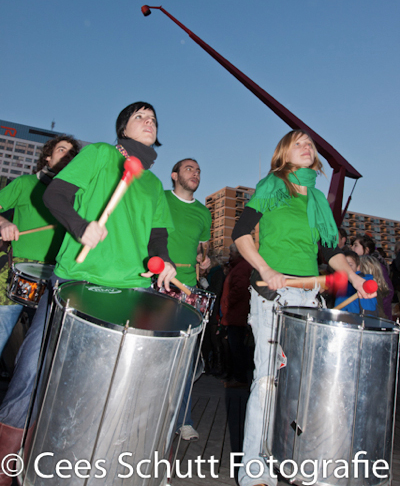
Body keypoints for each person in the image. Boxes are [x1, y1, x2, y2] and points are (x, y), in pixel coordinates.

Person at [0, 103, 175, 485]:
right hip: (75, 282)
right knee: (31, 374)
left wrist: (164, 261)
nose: (149, 122)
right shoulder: (100, 154)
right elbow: (55, 197)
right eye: (140, 117)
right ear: (123, 128)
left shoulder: (152, 185)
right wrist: (80, 228)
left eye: (154, 120)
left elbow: (158, 236)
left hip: (130, 291)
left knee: (108, 385)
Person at [231, 130, 373, 486]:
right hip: (272, 295)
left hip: (309, 297)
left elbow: (329, 253)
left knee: (302, 386)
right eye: (298, 142)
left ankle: (295, 463)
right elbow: (241, 232)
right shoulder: (272, 184)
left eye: (309, 143)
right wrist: (266, 269)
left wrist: (353, 278)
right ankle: (255, 473)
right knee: (267, 382)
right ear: (283, 152)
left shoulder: (319, 201)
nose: (306, 146)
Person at [0, 136, 80, 354]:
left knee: (43, 349)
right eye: (61, 149)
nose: (66, 155)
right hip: (16, 268)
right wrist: (4, 222)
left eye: (71, 153)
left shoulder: (77, 196)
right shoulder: (25, 183)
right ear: (48, 157)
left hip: (56, 273)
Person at [164, 158, 211, 442]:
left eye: (198, 170)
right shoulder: (160, 199)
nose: (196, 173)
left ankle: (184, 420)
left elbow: (203, 251)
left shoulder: (204, 213)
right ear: (174, 175)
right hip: (156, 283)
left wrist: (204, 260)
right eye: (189, 169)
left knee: (186, 359)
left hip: (188, 290)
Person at [220, 243, 252, 388]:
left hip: (236, 314)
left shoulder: (241, 267)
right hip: (236, 313)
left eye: (231, 252)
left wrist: (227, 301)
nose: (229, 254)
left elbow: (240, 289)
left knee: (236, 348)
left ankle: (239, 378)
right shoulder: (240, 266)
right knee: (236, 347)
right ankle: (237, 376)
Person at [352, 234, 394, 319]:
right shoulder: (358, 264)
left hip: (378, 315)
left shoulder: (375, 265)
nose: (352, 248)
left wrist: (378, 307)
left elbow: (388, 291)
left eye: (355, 245)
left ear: (366, 249)